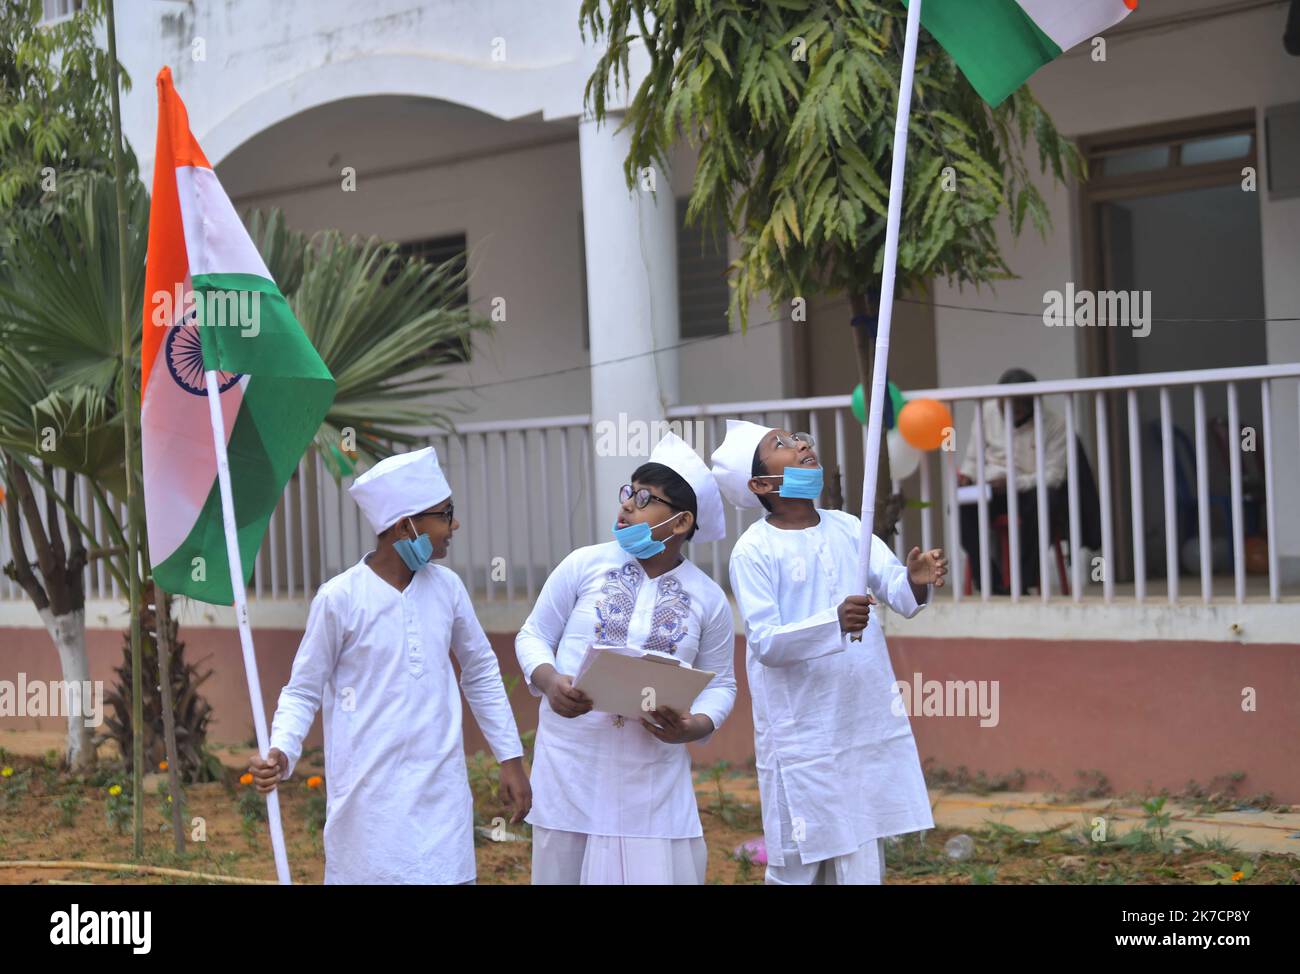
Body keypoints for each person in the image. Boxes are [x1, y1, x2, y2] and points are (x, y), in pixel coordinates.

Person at [248, 446, 530, 884]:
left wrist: (510, 757)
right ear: (406, 526)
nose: (453, 525)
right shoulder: (339, 598)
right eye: (444, 514)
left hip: (441, 797)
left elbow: (480, 672)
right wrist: (282, 749)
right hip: (367, 807)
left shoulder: (449, 589)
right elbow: (304, 688)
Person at [711, 420, 946, 885]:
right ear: (760, 484)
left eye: (798, 438)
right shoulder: (752, 550)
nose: (801, 444)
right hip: (799, 732)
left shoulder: (849, 528)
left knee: (861, 846)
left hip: (861, 719)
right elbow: (766, 642)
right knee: (798, 860)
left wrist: (915, 581)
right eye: (781, 444)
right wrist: (833, 623)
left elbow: (898, 591)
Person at [516, 432, 737, 884]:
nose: (627, 505)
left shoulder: (708, 598)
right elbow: (534, 634)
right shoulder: (583, 564)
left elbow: (722, 684)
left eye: (644, 498)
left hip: (651, 778)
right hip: (571, 766)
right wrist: (549, 680)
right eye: (628, 492)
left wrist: (694, 727)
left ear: (680, 523)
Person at [958, 367, 1067, 594]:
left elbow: (1054, 475)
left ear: (1031, 405)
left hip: (1030, 487)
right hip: (991, 486)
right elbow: (973, 456)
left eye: (1016, 409)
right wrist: (967, 475)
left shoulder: (1055, 424)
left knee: (1046, 501)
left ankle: (1024, 581)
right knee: (962, 507)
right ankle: (990, 581)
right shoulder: (986, 411)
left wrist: (1014, 483)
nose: (1008, 412)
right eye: (1003, 406)